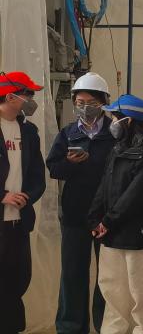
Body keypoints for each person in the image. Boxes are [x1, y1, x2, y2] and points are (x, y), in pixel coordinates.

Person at [88, 94, 143, 334]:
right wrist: (95, 218)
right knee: (112, 289)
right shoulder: (119, 146)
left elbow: (137, 193)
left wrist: (108, 220)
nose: (112, 121)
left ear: (129, 120)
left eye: (115, 116)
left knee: (141, 291)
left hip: (138, 234)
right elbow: (105, 185)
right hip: (112, 232)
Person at [47, 72, 114, 333]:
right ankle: (70, 327)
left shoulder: (115, 133)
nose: (85, 107)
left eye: (91, 102)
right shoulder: (68, 133)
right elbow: (54, 168)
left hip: (106, 217)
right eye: (80, 102)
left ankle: (106, 325)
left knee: (107, 277)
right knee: (72, 274)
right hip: (75, 215)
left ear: (103, 102)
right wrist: (69, 163)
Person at [0, 71, 46, 334]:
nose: (31, 99)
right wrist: (2, 195)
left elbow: (38, 175)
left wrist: (27, 196)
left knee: (17, 280)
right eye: (28, 94)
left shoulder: (28, 132)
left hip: (19, 222)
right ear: (10, 96)